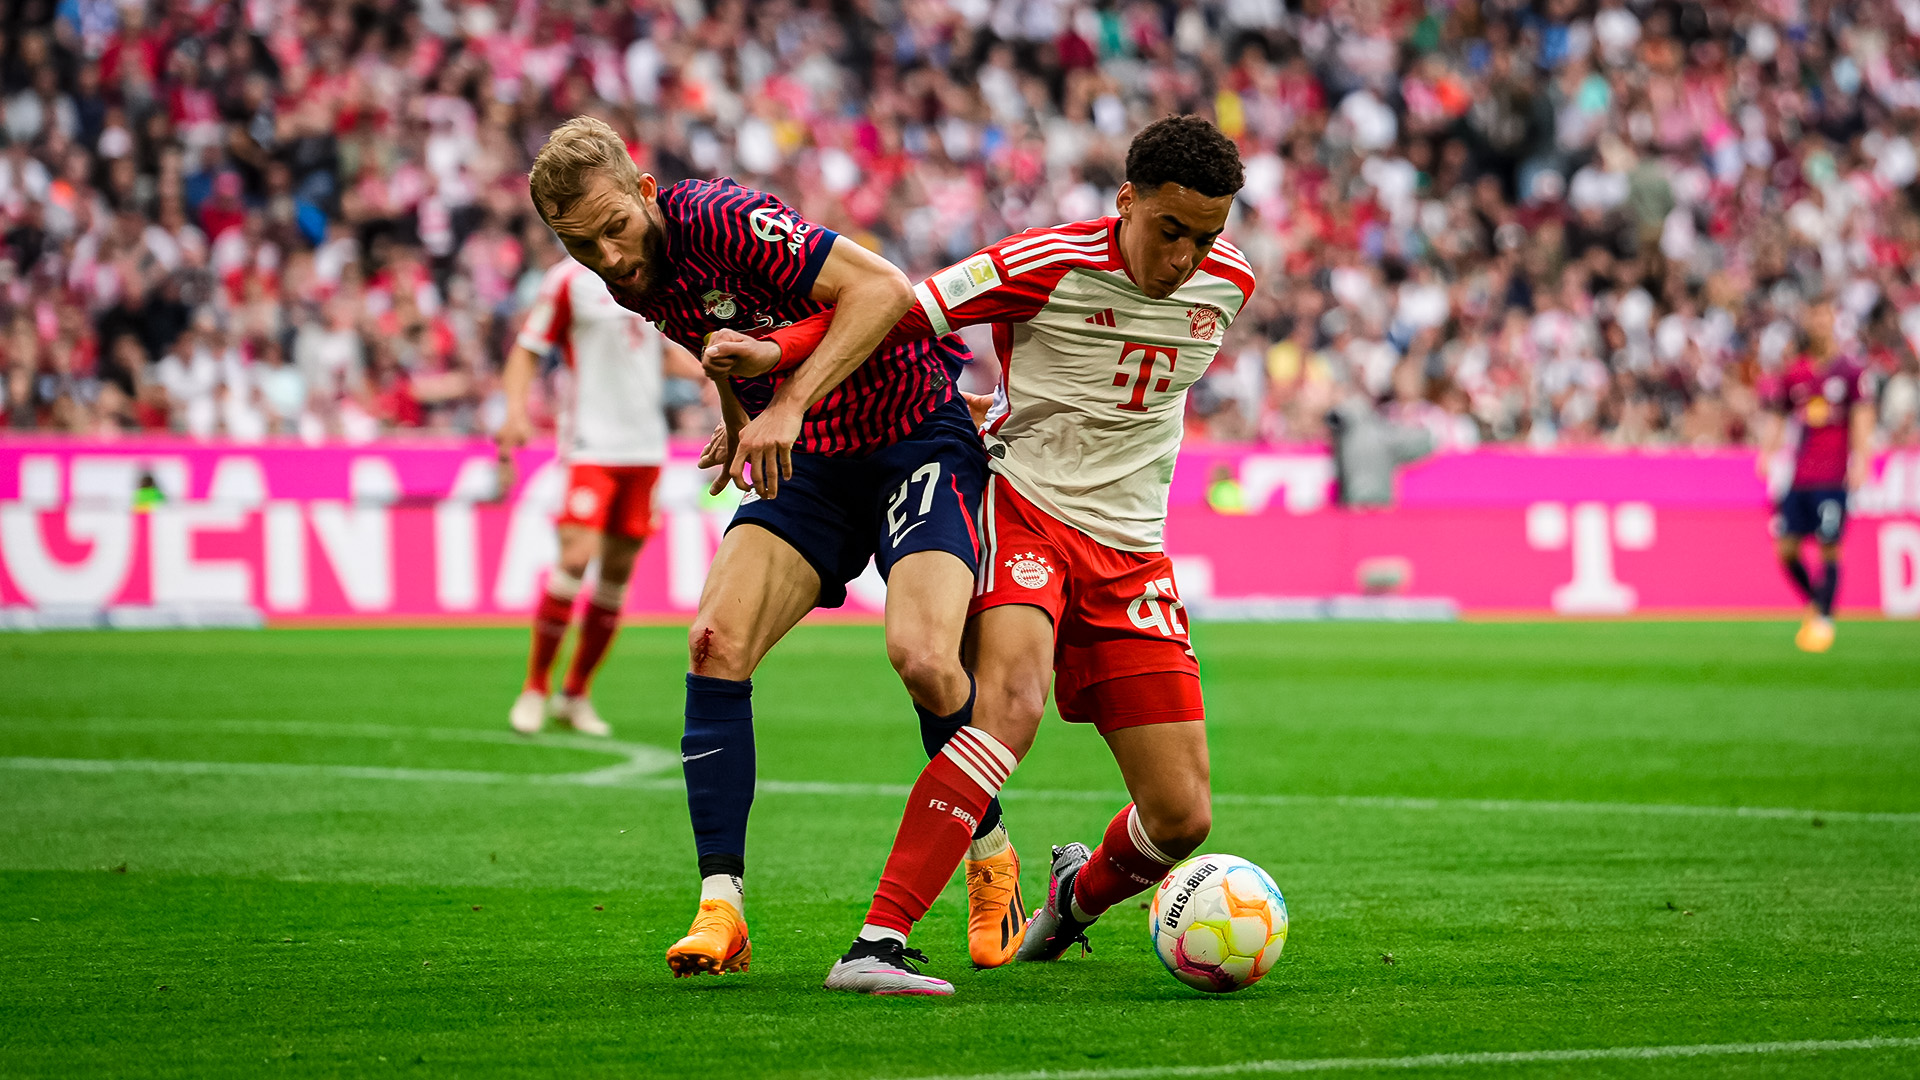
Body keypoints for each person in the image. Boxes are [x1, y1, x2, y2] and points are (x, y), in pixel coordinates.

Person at [711, 115, 1254, 994]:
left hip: (1134, 551)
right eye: (1171, 230)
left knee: (1182, 817)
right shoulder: (1046, 260)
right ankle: (876, 942)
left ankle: (1069, 901)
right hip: (1026, 511)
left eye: (1208, 236)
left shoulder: (1233, 284)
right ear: (1127, 202)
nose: (1188, 256)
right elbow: (891, 305)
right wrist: (776, 356)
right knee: (1009, 703)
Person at [523, 117, 1023, 979]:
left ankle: (991, 853)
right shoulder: (627, 273)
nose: (604, 255)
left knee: (924, 658)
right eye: (579, 244)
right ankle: (723, 908)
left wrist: (786, 406)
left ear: (646, 191)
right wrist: (742, 417)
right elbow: (718, 343)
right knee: (713, 642)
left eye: (613, 227)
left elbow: (884, 291)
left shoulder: (722, 217)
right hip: (811, 462)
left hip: (915, 434)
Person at [497, 239, 700, 737]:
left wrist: (706, 367)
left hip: (646, 450)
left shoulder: (654, 273)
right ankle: (535, 688)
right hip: (591, 445)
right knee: (574, 558)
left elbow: (654, 351)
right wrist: (516, 413)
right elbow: (527, 350)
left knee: (616, 577)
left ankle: (576, 692)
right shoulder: (568, 281)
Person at [1757, 301, 1878, 653]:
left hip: (1832, 476)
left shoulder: (1850, 371)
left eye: (1826, 316)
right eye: (1815, 316)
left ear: (1834, 322)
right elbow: (1779, 417)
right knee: (1786, 550)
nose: (1820, 322)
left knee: (1829, 545)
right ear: (1808, 321)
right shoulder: (1795, 372)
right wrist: (1767, 452)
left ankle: (1824, 619)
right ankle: (1816, 601)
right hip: (1799, 476)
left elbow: (1862, 416)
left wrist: (1862, 460)